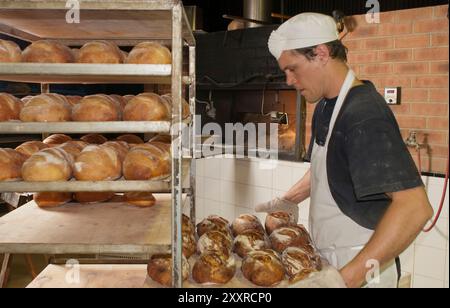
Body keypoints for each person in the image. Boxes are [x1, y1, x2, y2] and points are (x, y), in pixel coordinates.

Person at [256, 12, 433, 288]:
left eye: (293, 68)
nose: (288, 80)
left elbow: (415, 207)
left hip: (364, 272)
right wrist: (289, 199)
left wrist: (341, 281)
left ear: (321, 53)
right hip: (331, 262)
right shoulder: (326, 105)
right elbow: (326, 167)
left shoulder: (363, 115)